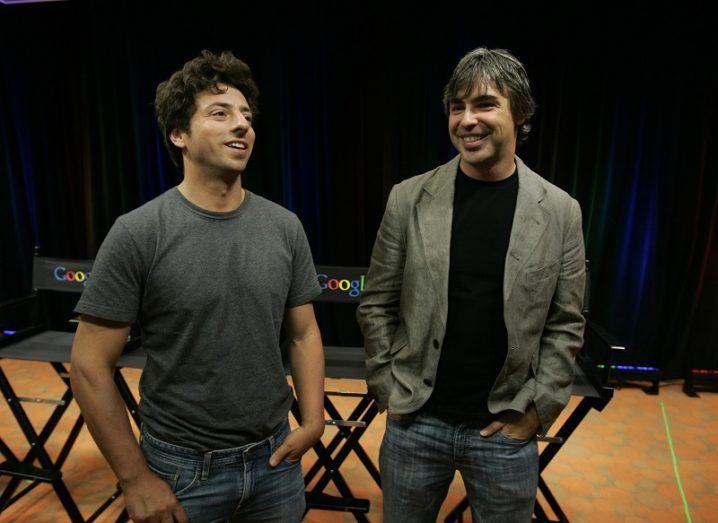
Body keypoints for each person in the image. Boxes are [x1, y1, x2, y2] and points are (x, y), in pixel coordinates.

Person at [70, 50, 325, 523]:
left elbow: (303, 333)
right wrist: (135, 479)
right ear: (179, 134)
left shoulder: (285, 226)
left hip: (276, 464)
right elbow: (88, 367)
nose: (242, 125)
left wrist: (312, 421)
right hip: (181, 473)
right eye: (220, 113)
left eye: (246, 115)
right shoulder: (138, 232)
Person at [356, 47, 586, 522]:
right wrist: (386, 385)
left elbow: (566, 323)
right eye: (457, 107)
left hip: (507, 430)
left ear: (519, 114)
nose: (466, 120)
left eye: (484, 104)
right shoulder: (409, 198)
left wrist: (539, 411)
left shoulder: (561, 212)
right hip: (416, 422)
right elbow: (376, 302)